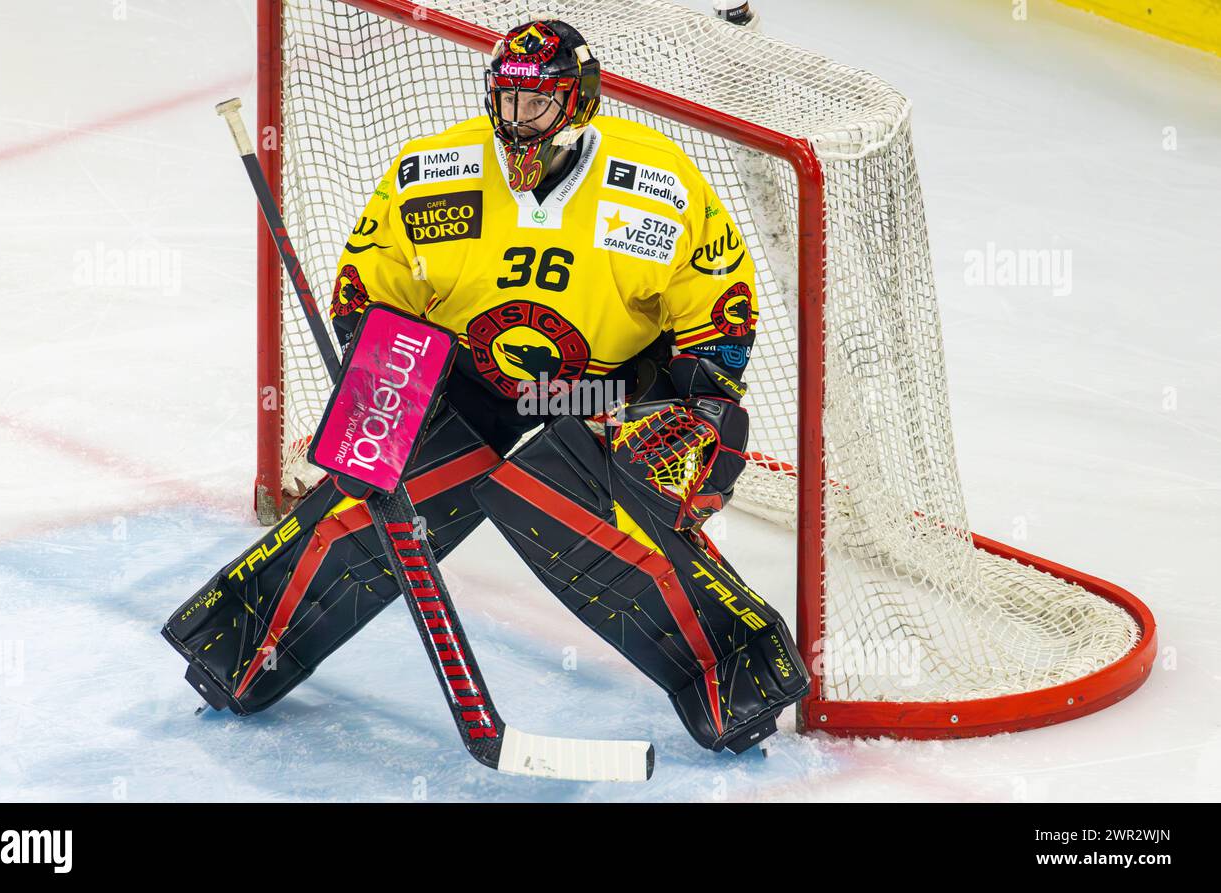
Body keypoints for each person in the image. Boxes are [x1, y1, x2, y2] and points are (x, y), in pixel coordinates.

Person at [163, 18, 807, 754]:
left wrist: (697, 411)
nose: (515, 121)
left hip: (605, 393)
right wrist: (372, 403)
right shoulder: (432, 174)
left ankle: (735, 673)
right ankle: (242, 644)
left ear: (581, 102)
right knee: (380, 490)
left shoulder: (658, 188)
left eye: (537, 105)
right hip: (469, 379)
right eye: (505, 100)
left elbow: (718, 312)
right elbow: (366, 292)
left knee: (579, 499)